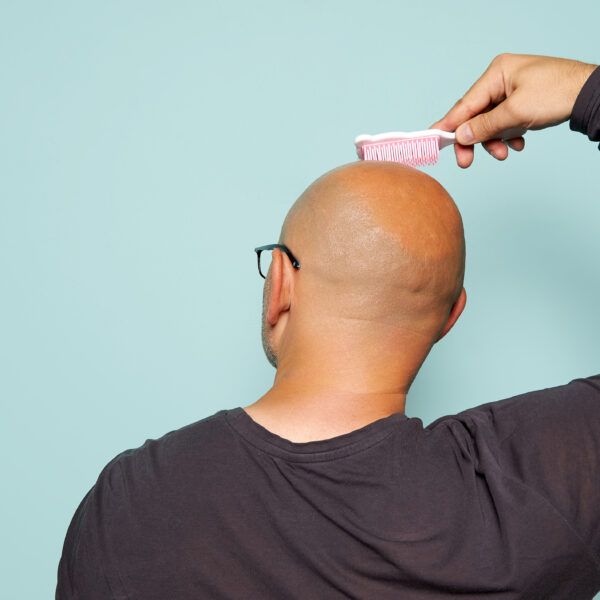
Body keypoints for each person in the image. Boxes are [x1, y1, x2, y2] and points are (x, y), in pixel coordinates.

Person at [57, 54, 600, 599]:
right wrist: (587, 90)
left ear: (280, 285)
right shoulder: (526, 492)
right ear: (449, 319)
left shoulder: (128, 502)